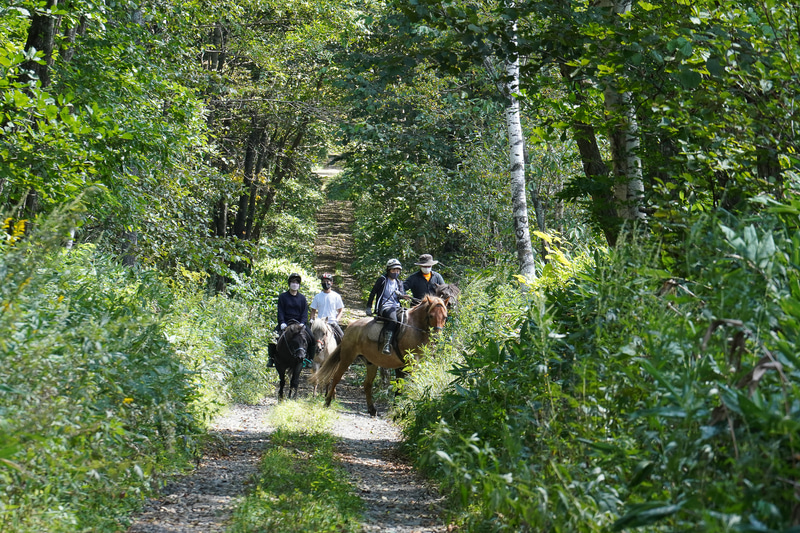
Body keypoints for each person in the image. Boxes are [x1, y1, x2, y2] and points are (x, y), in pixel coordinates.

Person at [367, 258, 408, 354]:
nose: (396, 272)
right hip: (385, 306)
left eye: (397, 271)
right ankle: (387, 344)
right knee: (393, 320)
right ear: (388, 270)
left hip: (397, 306)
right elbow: (373, 292)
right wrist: (369, 306)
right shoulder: (382, 280)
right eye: (393, 270)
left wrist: (402, 296)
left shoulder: (399, 282)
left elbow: (402, 293)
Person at [268, 273, 310, 367]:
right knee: (272, 338)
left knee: (312, 338)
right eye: (293, 282)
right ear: (289, 283)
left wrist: (303, 323)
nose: (295, 284)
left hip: (299, 324)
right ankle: (271, 358)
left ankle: (309, 358)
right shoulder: (283, 297)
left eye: (296, 282)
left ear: (299, 284)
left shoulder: (302, 298)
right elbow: (280, 311)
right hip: (286, 323)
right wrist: (282, 322)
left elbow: (304, 312)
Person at [309, 273, 345, 344]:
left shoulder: (336, 296)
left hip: (332, 322)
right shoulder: (317, 296)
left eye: (327, 281)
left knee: (343, 339)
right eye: (324, 281)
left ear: (331, 283)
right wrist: (311, 320)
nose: (326, 283)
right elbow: (313, 310)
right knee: (308, 338)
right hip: (319, 324)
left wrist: (336, 320)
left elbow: (340, 311)